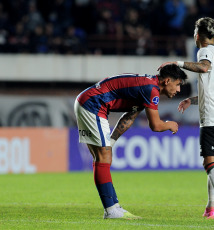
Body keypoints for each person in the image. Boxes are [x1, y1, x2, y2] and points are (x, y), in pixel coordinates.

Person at [74, 64, 187, 219]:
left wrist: (112, 141)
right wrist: (170, 124)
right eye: (178, 84)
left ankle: (113, 207)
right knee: (103, 157)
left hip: (88, 101)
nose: (179, 90)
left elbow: (129, 117)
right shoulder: (151, 90)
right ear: (167, 81)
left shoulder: (147, 87)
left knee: (103, 156)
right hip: (93, 104)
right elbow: (155, 125)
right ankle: (111, 210)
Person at [158, 17, 214, 219]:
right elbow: (213, 89)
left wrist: (177, 62)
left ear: (197, 36)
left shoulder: (204, 51)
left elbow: (203, 68)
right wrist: (191, 100)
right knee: (213, 164)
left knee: (210, 163)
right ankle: (211, 207)